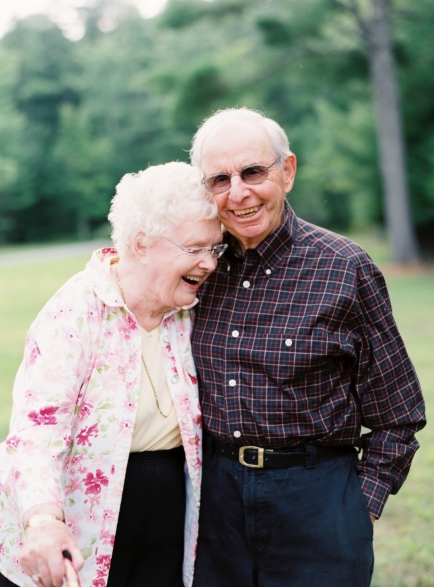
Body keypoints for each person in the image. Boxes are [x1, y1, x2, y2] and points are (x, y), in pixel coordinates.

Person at [188, 107, 426, 587]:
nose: (239, 193)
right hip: (214, 503)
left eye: (253, 172)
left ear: (288, 171)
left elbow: (399, 414)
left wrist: (359, 507)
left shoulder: (345, 266)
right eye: (220, 180)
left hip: (318, 502)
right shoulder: (195, 270)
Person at [0, 161, 225, 587]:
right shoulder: (75, 312)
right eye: (195, 248)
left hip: (168, 516)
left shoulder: (191, 309)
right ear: (141, 244)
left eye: (215, 248)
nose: (209, 263)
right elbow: (36, 431)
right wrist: (43, 521)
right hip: (78, 524)